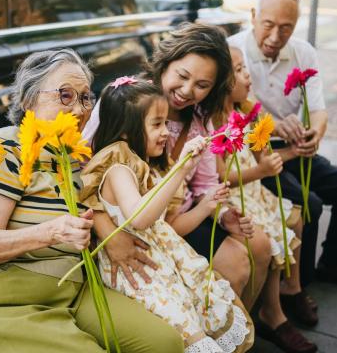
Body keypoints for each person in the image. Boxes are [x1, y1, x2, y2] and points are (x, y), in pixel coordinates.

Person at [0, 49, 184, 353]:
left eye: (85, 97)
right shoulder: (5, 149)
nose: (79, 109)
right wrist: (50, 232)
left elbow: (90, 206)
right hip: (5, 302)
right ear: (28, 100)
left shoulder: (72, 154)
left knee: (164, 343)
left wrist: (109, 235)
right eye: (65, 95)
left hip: (72, 292)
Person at [83, 23, 269, 307]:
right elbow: (81, 172)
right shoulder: (126, 102)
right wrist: (108, 235)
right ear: (165, 64)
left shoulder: (200, 120)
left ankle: (262, 318)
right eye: (182, 76)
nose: (186, 91)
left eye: (202, 85)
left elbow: (205, 184)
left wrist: (221, 215)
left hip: (180, 216)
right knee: (236, 264)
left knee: (260, 245)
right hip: (133, 223)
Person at [81, 77, 254, 352]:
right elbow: (139, 218)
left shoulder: (140, 168)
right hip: (139, 276)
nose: (165, 132)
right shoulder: (117, 169)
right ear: (126, 131)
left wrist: (206, 207)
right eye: (157, 124)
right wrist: (180, 170)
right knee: (183, 331)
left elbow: (164, 226)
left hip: (161, 266)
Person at [228, 0, 337, 295]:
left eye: (286, 27)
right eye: (268, 24)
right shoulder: (234, 51)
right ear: (254, 15)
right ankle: (298, 286)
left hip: (295, 146)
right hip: (257, 155)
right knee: (308, 204)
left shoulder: (303, 52)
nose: (275, 36)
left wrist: (315, 135)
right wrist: (272, 125)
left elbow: (319, 108)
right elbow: (238, 109)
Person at [214, 46, 317, 353]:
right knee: (272, 234)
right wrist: (261, 169)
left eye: (246, 68)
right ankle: (272, 313)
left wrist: (289, 153)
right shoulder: (216, 122)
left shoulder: (246, 110)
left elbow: (264, 154)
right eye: (240, 70)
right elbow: (222, 176)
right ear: (222, 81)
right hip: (237, 195)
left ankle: (291, 288)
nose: (248, 75)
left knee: (296, 217)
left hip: (255, 190)